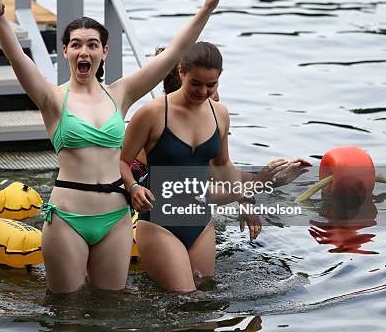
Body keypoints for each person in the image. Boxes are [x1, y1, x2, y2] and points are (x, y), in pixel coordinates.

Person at [0, 0, 229, 293]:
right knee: (67, 312)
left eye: (93, 44)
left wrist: (206, 9)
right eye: (77, 45)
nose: (85, 51)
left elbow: (172, 55)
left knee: (110, 310)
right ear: (66, 51)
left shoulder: (120, 95)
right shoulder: (52, 98)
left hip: (116, 217)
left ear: (104, 52)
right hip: (68, 217)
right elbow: (16, 57)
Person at [120, 42, 310, 292]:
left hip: (200, 224)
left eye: (212, 85)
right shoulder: (151, 115)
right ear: (181, 72)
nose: (205, 92)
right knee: (188, 298)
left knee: (206, 301)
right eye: (196, 84)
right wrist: (133, 187)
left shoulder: (220, 114)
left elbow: (221, 166)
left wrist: (251, 196)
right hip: (158, 224)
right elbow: (121, 161)